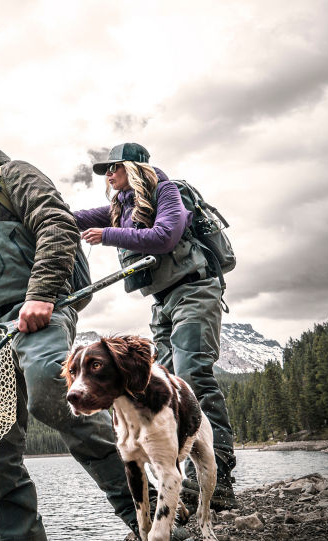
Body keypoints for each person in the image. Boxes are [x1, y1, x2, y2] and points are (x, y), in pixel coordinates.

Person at [0, 123, 176, 541]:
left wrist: (40, 295)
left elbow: (57, 225)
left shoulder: (14, 174)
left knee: (52, 394)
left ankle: (148, 519)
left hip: (39, 314)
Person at [73, 142, 238, 511]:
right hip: (162, 301)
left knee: (193, 374)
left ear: (133, 167)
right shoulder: (123, 206)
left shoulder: (168, 192)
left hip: (195, 289)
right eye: (105, 170)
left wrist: (108, 234)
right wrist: (38, 217)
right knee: (168, 383)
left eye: (113, 167)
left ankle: (218, 477)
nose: (107, 175)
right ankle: (176, 479)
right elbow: (77, 217)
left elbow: (166, 236)